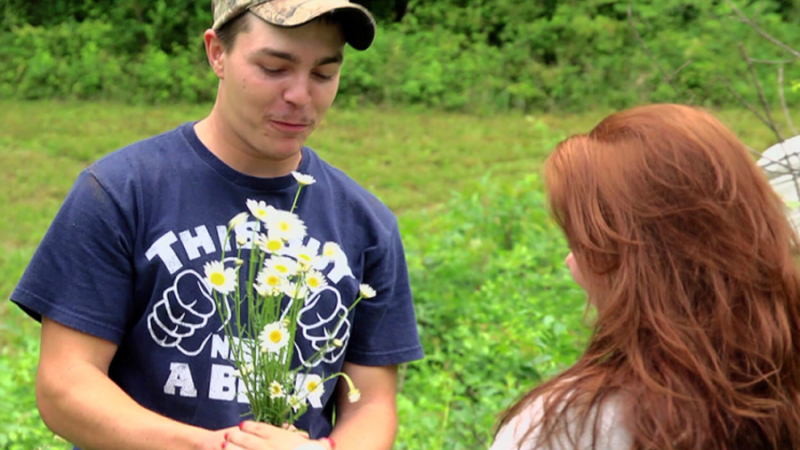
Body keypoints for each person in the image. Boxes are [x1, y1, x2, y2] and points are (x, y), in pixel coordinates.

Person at [10, 1, 424, 449]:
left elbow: (372, 405)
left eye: (323, 74)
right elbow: (65, 386)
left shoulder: (367, 225)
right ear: (216, 53)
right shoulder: (119, 193)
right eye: (273, 68)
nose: (301, 96)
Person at [491, 104, 800, 450]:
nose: (570, 263)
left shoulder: (568, 429)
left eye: (584, 245)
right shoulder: (781, 388)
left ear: (642, 267)